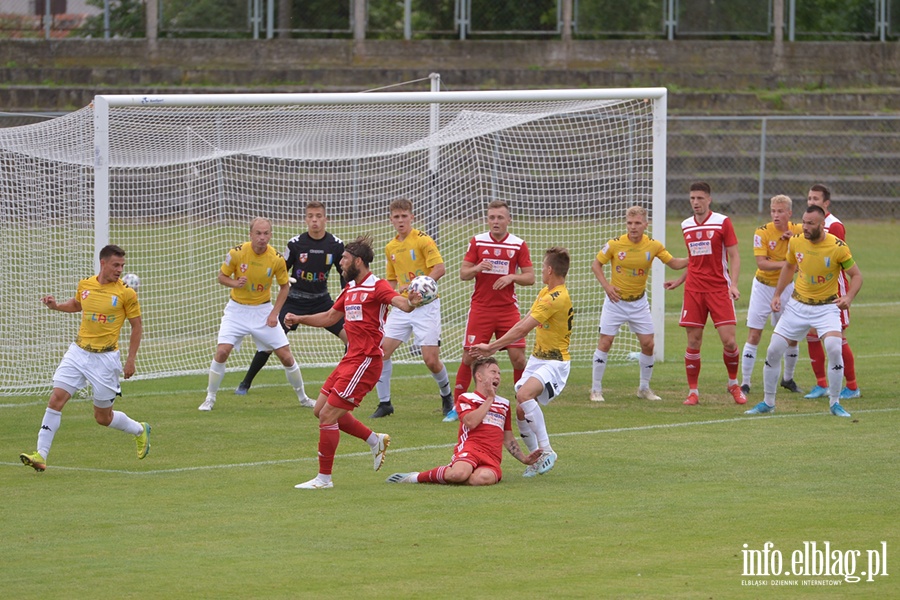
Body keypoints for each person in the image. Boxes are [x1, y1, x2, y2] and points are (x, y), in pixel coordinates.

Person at [285, 236, 424, 489]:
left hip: (366, 362)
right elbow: (329, 317)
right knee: (320, 410)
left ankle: (324, 479)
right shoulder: (350, 289)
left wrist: (412, 302)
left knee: (327, 416)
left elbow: (400, 303)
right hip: (350, 359)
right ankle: (374, 440)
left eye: (344, 259)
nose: (340, 263)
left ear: (358, 261)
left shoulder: (377, 286)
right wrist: (299, 318)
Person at [20, 244, 149, 472]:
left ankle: (139, 430)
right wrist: (56, 306)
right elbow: (78, 304)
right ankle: (41, 455)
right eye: (115, 265)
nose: (120, 270)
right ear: (103, 263)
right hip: (78, 352)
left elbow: (137, 326)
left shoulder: (126, 292)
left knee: (103, 418)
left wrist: (131, 360)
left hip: (105, 360)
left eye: (122, 266)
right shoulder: (85, 284)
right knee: (56, 399)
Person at [745, 204, 862, 417]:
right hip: (797, 306)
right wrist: (778, 294)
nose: (805, 227)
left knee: (834, 348)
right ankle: (768, 402)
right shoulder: (796, 242)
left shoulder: (838, 246)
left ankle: (835, 403)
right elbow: (789, 267)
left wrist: (848, 297)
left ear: (822, 225)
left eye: (810, 224)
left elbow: (857, 275)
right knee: (773, 350)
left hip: (827, 307)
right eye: (804, 222)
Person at [471, 247, 572, 477]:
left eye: (542, 267)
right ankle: (536, 457)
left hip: (555, 362)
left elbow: (522, 329)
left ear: (549, 270)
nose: (540, 271)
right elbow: (526, 320)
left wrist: (492, 346)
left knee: (524, 395)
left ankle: (547, 451)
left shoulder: (555, 298)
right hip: (539, 359)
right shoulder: (546, 292)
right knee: (519, 410)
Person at [234, 201, 347, 396]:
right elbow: (279, 270)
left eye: (318, 216)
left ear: (325, 219)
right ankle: (245, 383)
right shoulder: (295, 244)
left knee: (351, 339)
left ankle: (342, 382)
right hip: (294, 301)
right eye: (310, 216)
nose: (314, 220)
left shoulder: (335, 245)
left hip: (322, 301)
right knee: (270, 344)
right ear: (305, 219)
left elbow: (344, 272)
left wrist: (346, 297)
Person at [199, 217, 311, 411]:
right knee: (222, 351)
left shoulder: (276, 258)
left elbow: (285, 287)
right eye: (258, 233)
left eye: (266, 233)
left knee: (286, 356)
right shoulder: (236, 253)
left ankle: (304, 398)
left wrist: (274, 314)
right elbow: (221, 277)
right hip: (236, 310)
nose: (262, 237)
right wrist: (235, 283)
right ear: (250, 234)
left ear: (270, 235)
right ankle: (210, 398)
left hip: (263, 310)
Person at [385, 357, 542, 486]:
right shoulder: (466, 398)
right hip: (471, 449)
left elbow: (507, 438)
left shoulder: (504, 404)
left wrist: (524, 459)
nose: (498, 376)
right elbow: (471, 422)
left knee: (482, 479)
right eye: (493, 372)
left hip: (492, 457)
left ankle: (451, 476)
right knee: (459, 473)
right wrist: (489, 399)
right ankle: (416, 477)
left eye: (499, 373)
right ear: (479, 377)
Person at [448, 200, 534, 423]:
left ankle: (522, 406)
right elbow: (463, 273)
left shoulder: (518, 244)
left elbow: (531, 277)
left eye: (500, 217)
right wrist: (477, 268)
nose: (495, 221)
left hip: (507, 310)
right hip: (481, 309)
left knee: (518, 359)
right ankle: (457, 407)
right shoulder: (477, 241)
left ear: (509, 220)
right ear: (488, 219)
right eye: (492, 218)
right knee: (470, 356)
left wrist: (512, 277)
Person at [590, 206, 688, 402]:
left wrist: (696, 256)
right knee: (605, 342)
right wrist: (607, 286)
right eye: (629, 223)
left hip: (639, 303)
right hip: (615, 302)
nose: (632, 227)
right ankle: (595, 390)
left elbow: (675, 263)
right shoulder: (615, 244)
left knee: (648, 344)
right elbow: (596, 264)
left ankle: (644, 388)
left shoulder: (653, 246)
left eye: (637, 223)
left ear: (645, 224)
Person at [664, 181, 747, 406]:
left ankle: (733, 383)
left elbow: (735, 255)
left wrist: (734, 284)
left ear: (709, 199)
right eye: (692, 198)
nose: (696, 202)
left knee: (729, 341)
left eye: (700, 198)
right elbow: (694, 260)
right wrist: (680, 281)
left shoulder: (722, 222)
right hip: (694, 290)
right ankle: (693, 392)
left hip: (719, 288)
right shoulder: (686, 225)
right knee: (693, 341)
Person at [370, 198, 453, 420]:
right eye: (396, 217)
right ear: (391, 219)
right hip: (403, 307)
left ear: (411, 217)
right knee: (381, 352)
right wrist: (388, 298)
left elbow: (440, 268)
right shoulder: (390, 247)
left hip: (426, 306)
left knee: (431, 360)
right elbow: (391, 281)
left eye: (404, 216)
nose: (400, 221)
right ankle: (385, 403)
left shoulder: (423, 240)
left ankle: (447, 396)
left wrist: (421, 285)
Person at [740, 195, 805, 395]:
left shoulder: (799, 231)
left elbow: (818, 235)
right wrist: (788, 264)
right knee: (754, 334)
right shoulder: (762, 232)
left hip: (786, 288)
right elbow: (762, 264)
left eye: (780, 211)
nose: (776, 215)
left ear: (789, 213)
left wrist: (794, 239)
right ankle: (745, 382)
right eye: (773, 211)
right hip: (762, 287)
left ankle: (788, 379)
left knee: (791, 336)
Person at [803, 184, 860, 401]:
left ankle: (853, 386)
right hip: (812, 290)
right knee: (811, 335)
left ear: (826, 203)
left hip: (833, 290)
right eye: (809, 198)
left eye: (816, 198)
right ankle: (821, 384)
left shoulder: (835, 226)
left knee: (837, 338)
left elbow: (841, 259)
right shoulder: (807, 223)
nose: (811, 202)